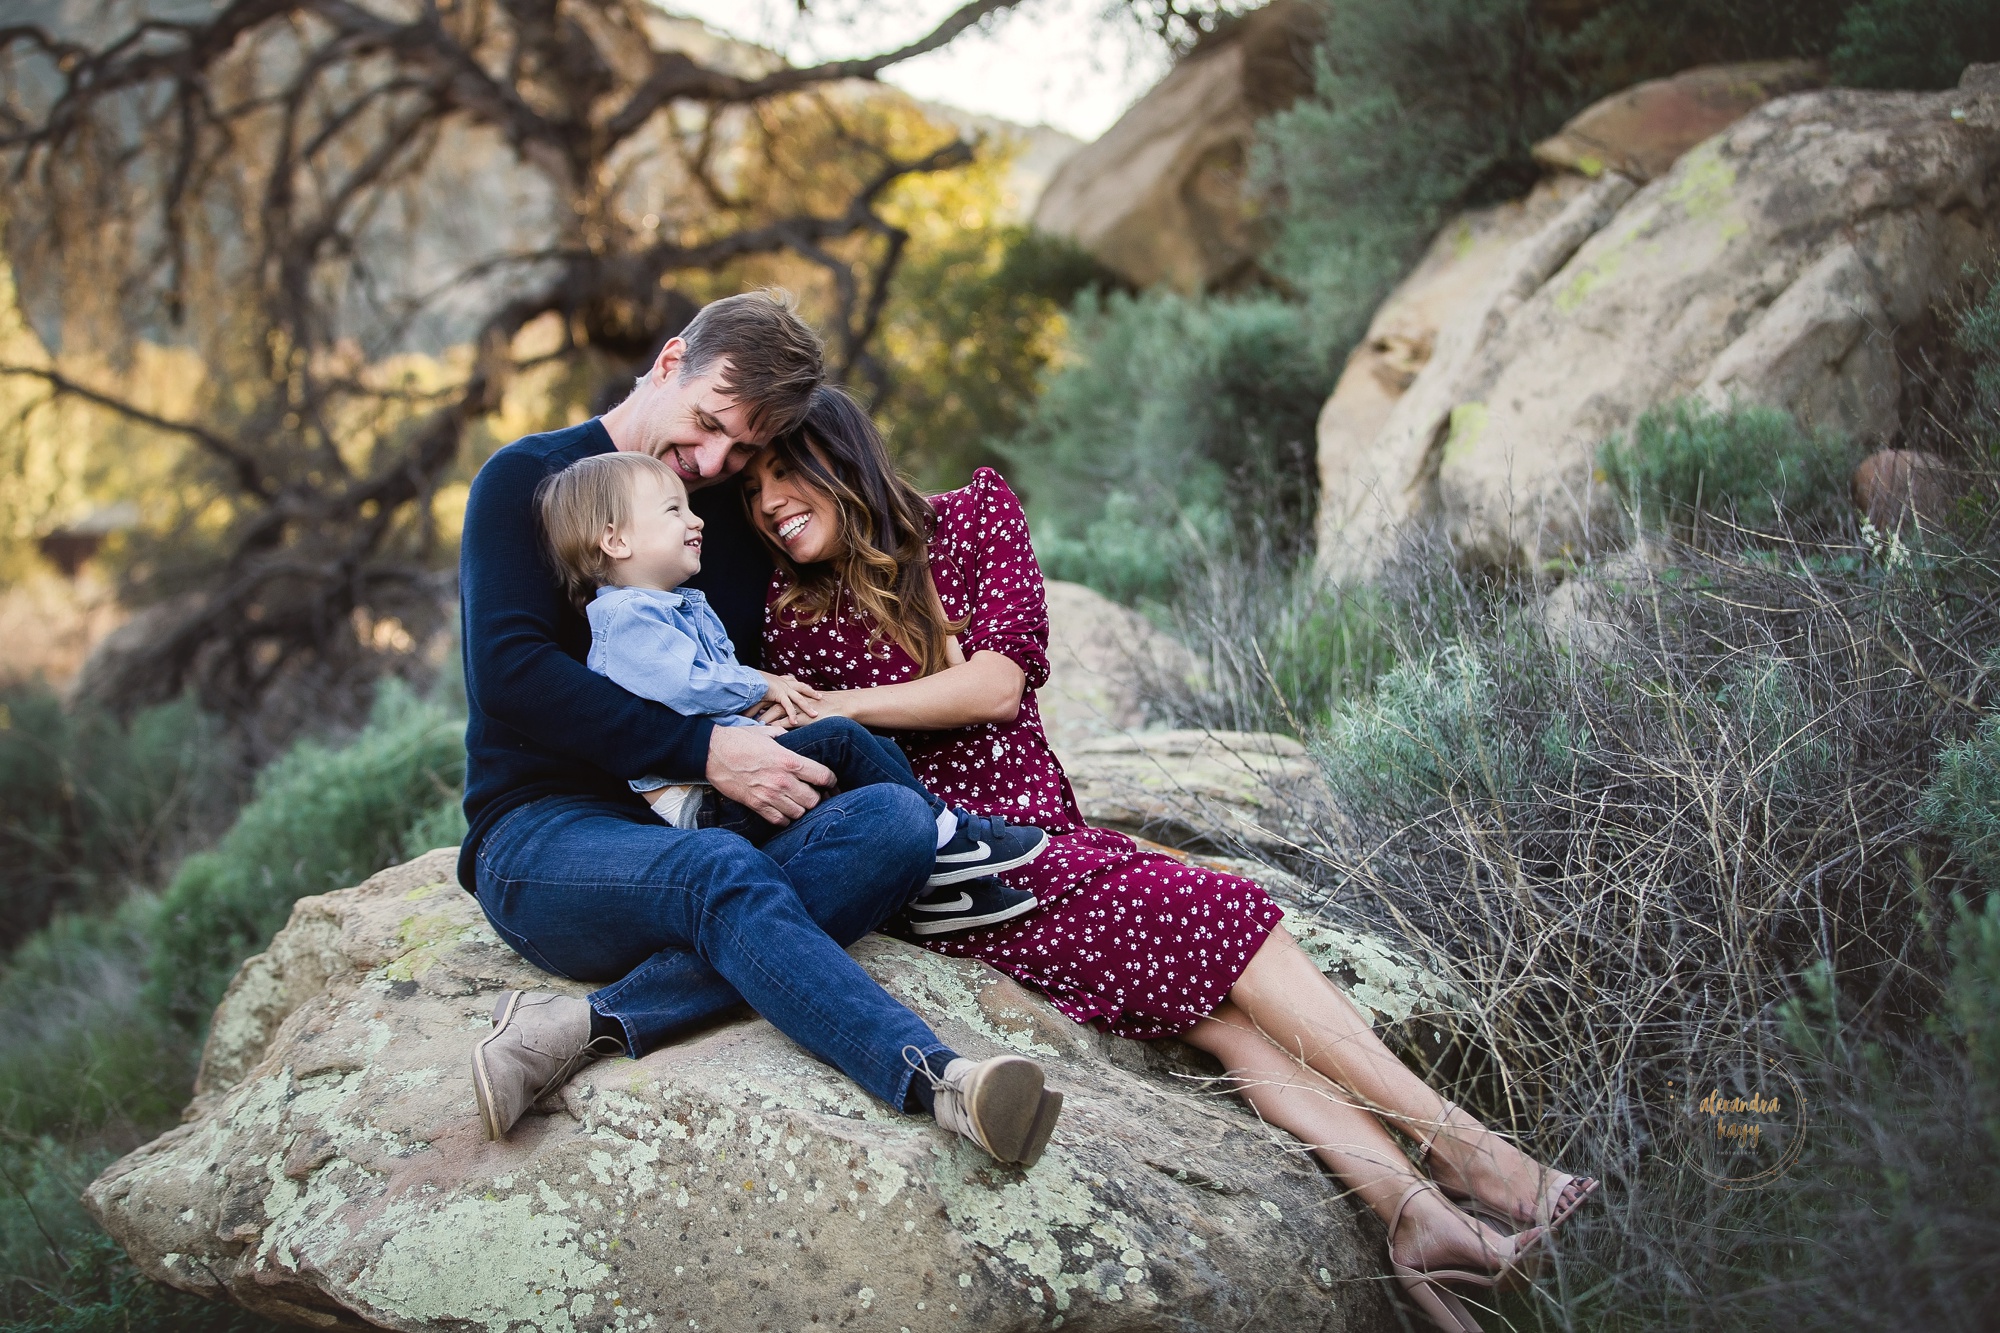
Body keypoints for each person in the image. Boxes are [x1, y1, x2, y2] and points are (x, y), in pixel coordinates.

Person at [743, 386, 1598, 1333]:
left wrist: (838, 704)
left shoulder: (976, 515)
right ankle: (1469, 1155)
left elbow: (993, 687)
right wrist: (821, 706)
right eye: (754, 487)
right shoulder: (788, 619)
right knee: (1229, 916)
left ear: (844, 453)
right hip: (957, 865)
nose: (770, 500)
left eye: (786, 470)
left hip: (1048, 840)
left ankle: (1417, 1217)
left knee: (1227, 1017)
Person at [456, 291, 1061, 1167]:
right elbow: (511, 673)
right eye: (706, 423)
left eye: (741, 450)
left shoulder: (715, 525)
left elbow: (833, 570)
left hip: (702, 815)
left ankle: (586, 1022)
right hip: (543, 835)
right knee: (722, 871)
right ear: (670, 362)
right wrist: (704, 750)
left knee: (892, 823)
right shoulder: (530, 479)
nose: (712, 462)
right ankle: (945, 1081)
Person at [533, 447, 1049, 936]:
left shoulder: (671, 607)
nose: (697, 521)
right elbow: (686, 685)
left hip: (724, 784)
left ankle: (943, 888)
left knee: (860, 761)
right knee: (841, 740)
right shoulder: (626, 619)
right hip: (704, 800)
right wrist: (764, 684)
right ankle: (954, 835)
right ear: (616, 541)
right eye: (674, 510)